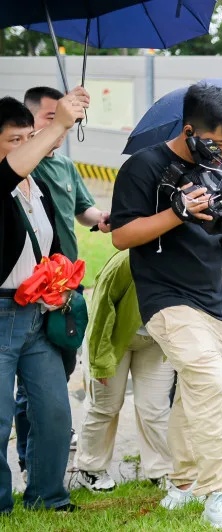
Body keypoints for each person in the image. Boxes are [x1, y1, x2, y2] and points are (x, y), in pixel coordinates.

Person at [110, 83, 222, 529]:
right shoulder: (144, 167)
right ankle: (219, 494)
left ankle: (183, 483)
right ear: (190, 130)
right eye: (219, 142)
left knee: (194, 392)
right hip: (165, 297)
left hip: (211, 299)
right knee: (212, 381)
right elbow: (122, 236)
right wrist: (179, 213)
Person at [74, 250, 222, 492]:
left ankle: (160, 469)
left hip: (155, 340)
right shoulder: (127, 261)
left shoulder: (197, 256)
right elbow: (101, 311)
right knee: (105, 406)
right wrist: (101, 362)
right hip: (111, 340)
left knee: (154, 409)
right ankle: (91, 468)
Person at [13, 86, 112, 474]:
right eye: (51, 118)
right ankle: (29, 456)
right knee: (32, 382)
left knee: (60, 370)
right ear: (29, 120)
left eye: (65, 117)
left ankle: (43, 445)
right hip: (28, 292)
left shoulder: (66, 166)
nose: (62, 125)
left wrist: (104, 219)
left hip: (66, 290)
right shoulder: (22, 166)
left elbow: (84, 210)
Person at [0, 88, 88, 513]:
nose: (25, 147)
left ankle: (48, 497)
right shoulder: (5, 181)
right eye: (13, 140)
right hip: (1, 315)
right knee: (0, 421)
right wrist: (58, 122)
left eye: (26, 137)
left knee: (54, 411)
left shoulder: (40, 185)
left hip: (40, 314)